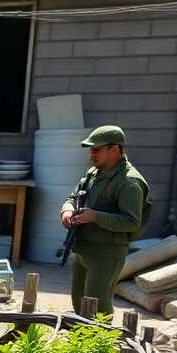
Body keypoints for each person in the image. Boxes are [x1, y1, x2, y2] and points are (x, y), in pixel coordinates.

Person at [60, 125, 150, 317]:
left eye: (96, 150)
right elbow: (73, 197)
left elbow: (131, 222)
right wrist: (67, 210)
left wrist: (95, 216)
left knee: (97, 305)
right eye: (91, 150)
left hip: (106, 253)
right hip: (83, 246)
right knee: (79, 300)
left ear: (114, 149)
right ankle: (81, 342)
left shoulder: (129, 182)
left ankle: (100, 344)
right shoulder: (93, 173)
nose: (91, 154)